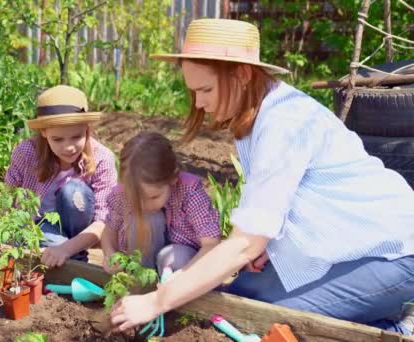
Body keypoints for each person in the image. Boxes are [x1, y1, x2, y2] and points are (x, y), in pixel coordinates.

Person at [109, 18, 414, 335]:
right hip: (350, 246)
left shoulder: (283, 121)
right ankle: (382, 315)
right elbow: (297, 197)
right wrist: (267, 245)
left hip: (395, 253)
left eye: (206, 89)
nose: (198, 102)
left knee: (262, 324)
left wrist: (157, 300)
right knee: (236, 299)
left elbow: (243, 243)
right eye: (193, 91)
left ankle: (396, 331)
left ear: (242, 74)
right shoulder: (254, 115)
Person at [4, 85, 117, 268]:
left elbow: (103, 221)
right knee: (50, 244)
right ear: (44, 132)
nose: (68, 147)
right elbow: (6, 196)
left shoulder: (102, 158)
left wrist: (66, 248)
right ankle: (73, 262)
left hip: (81, 232)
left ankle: (70, 254)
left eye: (76, 137)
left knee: (73, 191)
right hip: (39, 224)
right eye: (58, 139)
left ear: (87, 129)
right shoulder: (27, 152)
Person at [101, 131, 221, 277]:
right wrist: (110, 255)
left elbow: (211, 243)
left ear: (173, 178)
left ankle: (175, 289)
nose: (144, 205)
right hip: (143, 257)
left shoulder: (190, 191)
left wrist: (184, 274)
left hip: (184, 263)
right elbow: (109, 231)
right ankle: (141, 279)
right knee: (145, 218)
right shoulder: (121, 194)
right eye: (135, 198)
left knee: (175, 255)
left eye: (153, 197)